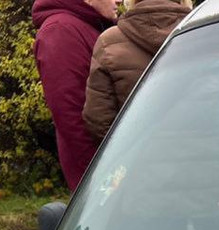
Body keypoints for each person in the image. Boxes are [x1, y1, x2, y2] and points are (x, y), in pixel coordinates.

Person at [32, 0, 117, 191]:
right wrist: (104, 178)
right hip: (102, 181)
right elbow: (71, 116)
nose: (119, 0)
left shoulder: (88, 25)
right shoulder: (60, 31)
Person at [83, 0, 193, 143]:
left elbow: (98, 119)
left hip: (142, 154)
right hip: (208, 151)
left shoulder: (109, 43)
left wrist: (128, 149)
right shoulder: (206, 32)